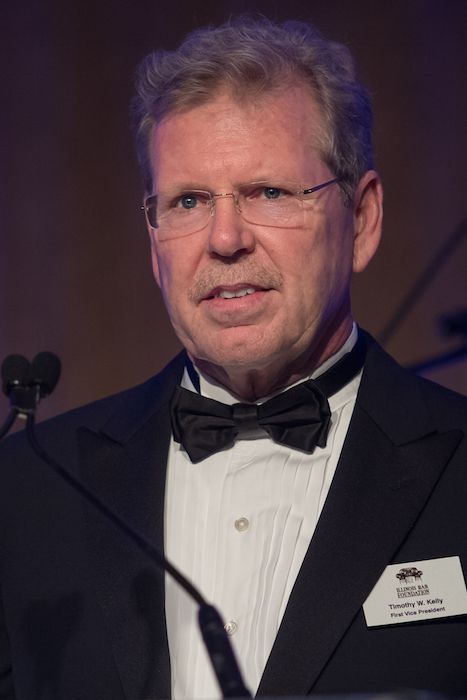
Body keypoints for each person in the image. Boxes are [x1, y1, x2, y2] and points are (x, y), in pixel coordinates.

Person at [1, 16, 467, 700]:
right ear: (153, 239)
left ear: (362, 221)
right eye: (188, 201)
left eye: (268, 193)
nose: (224, 239)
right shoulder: (27, 490)